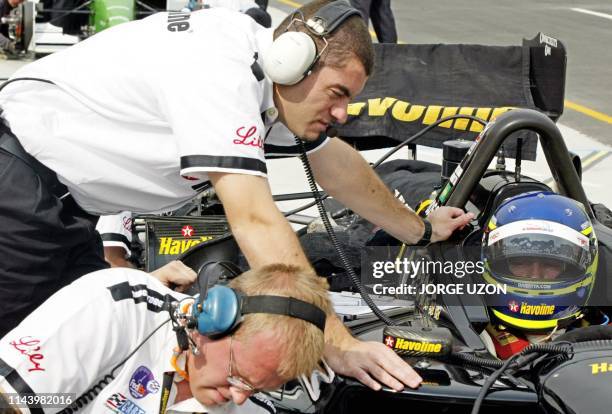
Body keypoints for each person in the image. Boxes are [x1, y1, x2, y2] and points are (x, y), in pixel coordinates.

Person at [0, 0, 473, 389]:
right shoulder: (219, 71)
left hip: (54, 206)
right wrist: (334, 341)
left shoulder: (263, 70)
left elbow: (339, 166)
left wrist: (420, 229)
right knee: (26, 373)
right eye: (336, 93)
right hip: (16, 194)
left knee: (78, 368)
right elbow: (256, 220)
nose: (344, 112)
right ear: (294, 62)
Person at [0, 263, 332, 413]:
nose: (240, 397)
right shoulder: (120, 303)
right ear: (211, 321)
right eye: (238, 377)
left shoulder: (255, 409)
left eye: (259, 388)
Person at [480, 191, 600, 358]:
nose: (535, 275)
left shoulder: (600, 331)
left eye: (551, 264)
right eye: (520, 262)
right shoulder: (474, 335)